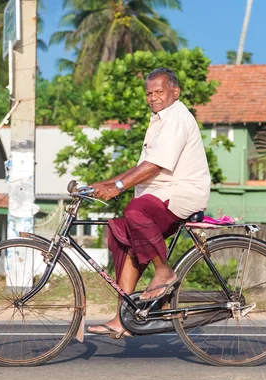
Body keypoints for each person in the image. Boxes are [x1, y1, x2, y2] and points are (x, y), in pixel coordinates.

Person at [87, 67, 211, 337]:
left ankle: (164, 273)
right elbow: (141, 166)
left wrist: (117, 187)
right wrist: (106, 184)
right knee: (127, 236)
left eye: (159, 92)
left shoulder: (176, 117)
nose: (153, 97)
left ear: (174, 92)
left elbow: (155, 166)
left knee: (135, 212)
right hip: (162, 193)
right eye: (149, 93)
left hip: (182, 192)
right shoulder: (158, 120)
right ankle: (123, 319)